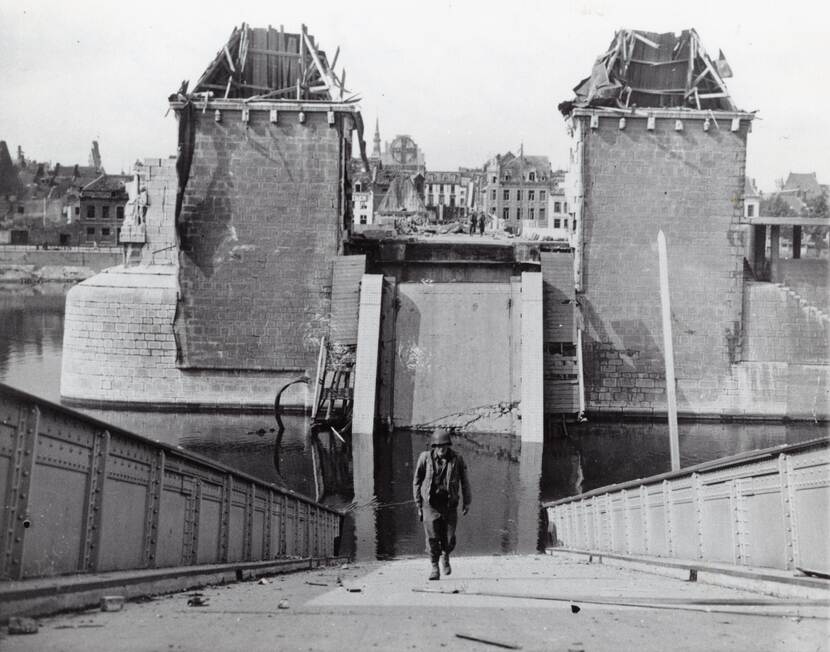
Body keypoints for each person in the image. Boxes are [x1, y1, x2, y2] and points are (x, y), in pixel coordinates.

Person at [413, 429, 471, 580]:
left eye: (444, 445)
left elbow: (464, 482)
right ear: (433, 446)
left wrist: (467, 501)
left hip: (449, 504)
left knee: (449, 538)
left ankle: (445, 556)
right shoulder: (424, 458)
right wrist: (418, 504)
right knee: (432, 538)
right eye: (438, 446)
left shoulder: (457, 459)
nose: (441, 449)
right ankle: (434, 567)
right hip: (430, 505)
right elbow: (417, 482)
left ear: (448, 446)